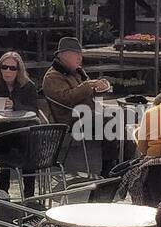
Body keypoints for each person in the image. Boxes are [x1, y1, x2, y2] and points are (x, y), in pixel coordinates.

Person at [42, 36, 114, 171]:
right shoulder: (53, 76)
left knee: (125, 115)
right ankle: (108, 167)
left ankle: (124, 161)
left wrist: (100, 87)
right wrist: (87, 85)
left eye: (80, 54)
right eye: (76, 54)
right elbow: (66, 99)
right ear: (63, 55)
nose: (80, 58)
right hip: (70, 118)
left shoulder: (75, 71)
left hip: (87, 113)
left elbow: (87, 93)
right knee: (110, 121)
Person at [0, 51, 42, 199]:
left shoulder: (28, 86)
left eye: (12, 68)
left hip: (22, 129)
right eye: (4, 67)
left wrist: (15, 104)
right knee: (2, 140)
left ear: (18, 70)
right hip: (0, 128)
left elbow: (34, 109)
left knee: (28, 142)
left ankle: (29, 192)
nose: (8, 71)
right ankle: (3, 190)